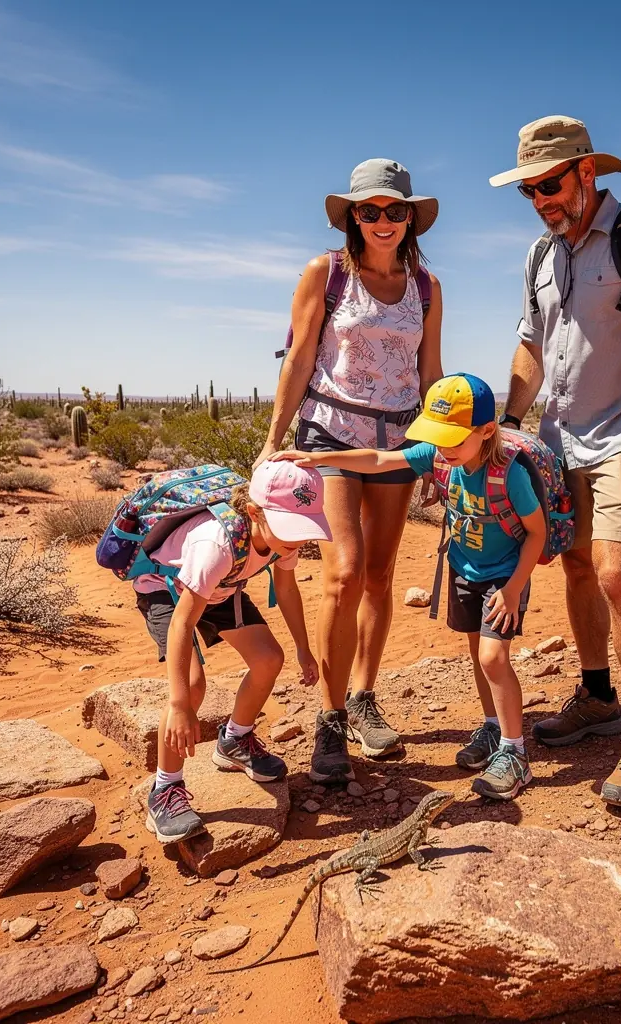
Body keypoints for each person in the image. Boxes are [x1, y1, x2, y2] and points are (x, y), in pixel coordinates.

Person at [490, 115, 621, 809]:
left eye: (549, 184)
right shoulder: (539, 255)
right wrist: (508, 426)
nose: (541, 200)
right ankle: (597, 696)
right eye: (529, 191)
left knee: (615, 571)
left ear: (586, 172)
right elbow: (529, 347)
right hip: (559, 437)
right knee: (576, 564)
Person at [255, 159, 443, 784]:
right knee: (343, 572)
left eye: (395, 211)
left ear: (411, 217)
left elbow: (430, 370)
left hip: (398, 441)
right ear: (353, 217)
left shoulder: (426, 286)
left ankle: (363, 695)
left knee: (383, 574)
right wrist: (273, 441)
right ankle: (330, 718)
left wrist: (443, 443)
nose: (383, 221)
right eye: (370, 211)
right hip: (329, 437)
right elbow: (300, 356)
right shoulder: (327, 273)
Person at [271, 374, 545, 801]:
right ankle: (493, 729)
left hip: (504, 576)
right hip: (465, 571)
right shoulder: (439, 455)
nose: (442, 448)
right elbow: (381, 460)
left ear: (486, 431)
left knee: (492, 656)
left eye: (452, 439)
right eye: (436, 438)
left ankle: (515, 753)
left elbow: (537, 534)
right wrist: (321, 459)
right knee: (477, 651)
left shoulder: (510, 475)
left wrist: (513, 588)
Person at [136, 461, 329, 843]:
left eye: (303, 528)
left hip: (224, 587)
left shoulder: (280, 538)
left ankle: (234, 740)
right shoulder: (215, 544)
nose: (298, 540)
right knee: (191, 686)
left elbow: (287, 589)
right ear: (255, 512)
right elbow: (182, 623)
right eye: (291, 527)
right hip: (168, 589)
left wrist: (303, 649)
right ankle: (165, 788)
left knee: (269, 659)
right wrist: (178, 705)